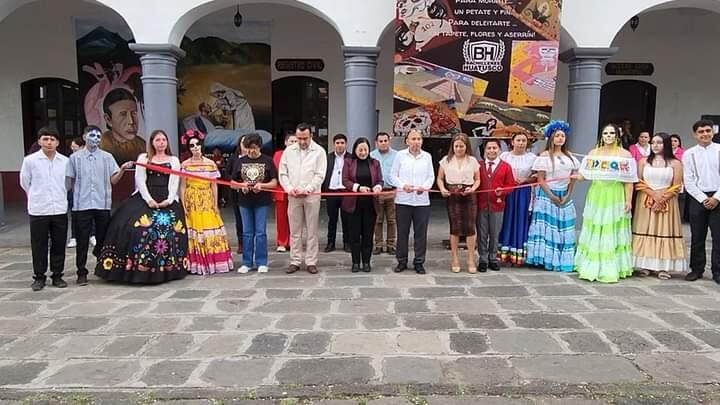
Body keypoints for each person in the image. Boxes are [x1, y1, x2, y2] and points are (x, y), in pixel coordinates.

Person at [95, 129, 188, 284]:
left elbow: (174, 183)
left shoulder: (173, 160)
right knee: (133, 228)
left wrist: (169, 200)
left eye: (163, 140)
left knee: (171, 229)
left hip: (166, 199)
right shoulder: (144, 158)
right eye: (157, 140)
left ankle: (167, 269)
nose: (161, 143)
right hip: (146, 197)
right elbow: (140, 181)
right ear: (151, 142)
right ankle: (133, 268)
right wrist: (149, 200)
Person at [66, 126, 132, 285]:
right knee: (82, 239)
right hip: (82, 205)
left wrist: (122, 169)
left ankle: (103, 266)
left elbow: (114, 179)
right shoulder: (75, 158)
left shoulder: (107, 157)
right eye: (91, 135)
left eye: (98, 136)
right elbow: (69, 181)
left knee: (103, 237)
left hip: (102, 204)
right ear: (84, 136)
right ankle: (81, 272)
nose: (95, 138)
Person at [574, 123, 638, 283]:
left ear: (617, 135)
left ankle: (611, 267)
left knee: (611, 226)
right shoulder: (593, 153)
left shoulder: (625, 155)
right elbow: (584, 175)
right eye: (605, 133)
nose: (608, 136)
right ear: (601, 136)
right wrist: (575, 176)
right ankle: (590, 265)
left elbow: (629, 181)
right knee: (595, 226)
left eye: (611, 133)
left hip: (615, 193)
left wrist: (628, 200)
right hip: (597, 193)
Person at [526, 121, 580, 272]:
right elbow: (540, 179)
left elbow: (573, 177)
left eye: (562, 136)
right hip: (547, 194)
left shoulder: (569, 157)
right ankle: (546, 258)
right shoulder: (544, 156)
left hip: (564, 194)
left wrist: (568, 194)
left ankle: (562, 258)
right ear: (551, 138)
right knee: (549, 227)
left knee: (563, 226)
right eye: (557, 136)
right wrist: (550, 196)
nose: (560, 139)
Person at [20, 127, 70, 291]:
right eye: (45, 139)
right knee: (39, 244)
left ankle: (57, 275)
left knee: (59, 243)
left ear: (57, 142)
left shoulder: (65, 161)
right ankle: (39, 276)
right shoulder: (30, 161)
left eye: (52, 139)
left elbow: (68, 184)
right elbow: (24, 182)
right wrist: (36, 195)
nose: (49, 142)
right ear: (39, 141)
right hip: (39, 209)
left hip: (59, 208)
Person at [632, 132, 686, 280]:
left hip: (667, 201)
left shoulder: (675, 163)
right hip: (646, 200)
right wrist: (652, 194)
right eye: (653, 142)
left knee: (663, 230)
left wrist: (661, 199)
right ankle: (645, 265)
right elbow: (638, 181)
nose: (655, 145)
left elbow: (676, 185)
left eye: (659, 142)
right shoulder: (643, 161)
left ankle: (663, 266)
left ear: (666, 144)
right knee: (646, 228)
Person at [180, 130, 234, 275]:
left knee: (212, 227)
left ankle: (215, 261)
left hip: (207, 198)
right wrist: (184, 204)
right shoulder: (185, 165)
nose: (195, 147)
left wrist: (215, 204)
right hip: (192, 199)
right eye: (192, 145)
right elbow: (183, 185)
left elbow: (214, 185)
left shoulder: (210, 164)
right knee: (195, 230)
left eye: (197, 144)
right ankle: (197, 262)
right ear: (188, 148)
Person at [278, 123, 327, 274]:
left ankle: (311, 261)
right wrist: (289, 188)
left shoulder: (319, 151)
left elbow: (320, 174)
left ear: (310, 136)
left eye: (305, 138)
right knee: (295, 230)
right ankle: (295, 260)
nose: (302, 142)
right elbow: (282, 172)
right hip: (293, 195)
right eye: (299, 138)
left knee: (312, 230)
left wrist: (308, 189)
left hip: (311, 195)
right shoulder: (289, 151)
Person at [229, 133, 278, 274]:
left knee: (261, 232)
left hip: (262, 201)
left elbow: (274, 182)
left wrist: (262, 186)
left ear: (260, 147)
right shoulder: (240, 161)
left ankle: (262, 261)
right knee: (247, 232)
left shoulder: (268, 161)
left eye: (254, 148)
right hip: (244, 201)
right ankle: (247, 262)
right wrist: (241, 185)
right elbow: (232, 183)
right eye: (248, 148)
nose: (251, 151)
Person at [390, 129, 435, 274]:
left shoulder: (427, 156)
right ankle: (402, 261)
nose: (416, 142)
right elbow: (393, 175)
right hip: (403, 200)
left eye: (419, 139)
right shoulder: (400, 155)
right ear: (407, 141)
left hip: (421, 201)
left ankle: (419, 261)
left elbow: (431, 177)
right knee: (402, 232)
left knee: (420, 233)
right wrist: (403, 186)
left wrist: (425, 187)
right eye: (413, 139)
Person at [682, 119, 720, 284]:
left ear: (713, 132)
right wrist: (704, 198)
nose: (705, 134)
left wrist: (716, 198)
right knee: (697, 236)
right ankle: (696, 269)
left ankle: (717, 271)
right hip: (698, 197)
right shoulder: (689, 154)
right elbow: (688, 180)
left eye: (707, 131)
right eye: (701, 132)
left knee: (718, 236)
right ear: (695, 134)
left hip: (718, 197)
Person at [436, 134, 480, 273]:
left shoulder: (472, 160)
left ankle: (471, 259)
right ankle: (454, 258)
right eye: (456, 146)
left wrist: (472, 188)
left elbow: (477, 179)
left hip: (469, 195)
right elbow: (440, 178)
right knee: (455, 228)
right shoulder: (446, 160)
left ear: (466, 146)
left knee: (470, 228)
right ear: (452, 147)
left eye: (461, 146)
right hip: (453, 194)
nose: (459, 149)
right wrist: (442, 189)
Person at [341, 137, 384, 272]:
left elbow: (380, 180)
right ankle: (355, 262)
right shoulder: (348, 162)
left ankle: (366, 262)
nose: (363, 152)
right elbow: (345, 180)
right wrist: (358, 187)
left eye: (365, 149)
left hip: (370, 205)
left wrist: (378, 187)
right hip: (354, 205)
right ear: (355, 150)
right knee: (354, 235)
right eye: (360, 150)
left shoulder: (375, 163)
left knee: (367, 235)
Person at [476, 139, 516, 272]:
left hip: (498, 206)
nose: (491, 151)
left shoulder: (506, 166)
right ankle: (482, 259)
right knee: (482, 234)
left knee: (494, 233)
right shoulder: (478, 165)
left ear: (499, 150)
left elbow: (511, 185)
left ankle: (493, 258)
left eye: (494, 148)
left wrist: (503, 191)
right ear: (485, 150)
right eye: (489, 148)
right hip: (481, 206)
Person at [498, 133, 537, 266]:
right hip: (508, 191)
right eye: (518, 140)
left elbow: (537, 176)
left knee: (521, 219)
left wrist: (526, 179)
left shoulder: (532, 158)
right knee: (507, 219)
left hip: (524, 192)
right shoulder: (504, 156)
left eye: (524, 140)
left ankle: (519, 254)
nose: (521, 143)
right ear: (512, 142)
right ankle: (503, 252)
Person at [99, 87, 146, 165]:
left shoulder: (142, 145)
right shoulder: (100, 146)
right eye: (123, 114)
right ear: (108, 119)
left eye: (134, 113)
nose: (131, 121)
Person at [370, 132, 398, 255]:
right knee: (378, 220)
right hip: (377, 192)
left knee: (392, 220)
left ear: (389, 141)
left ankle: (391, 244)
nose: (383, 143)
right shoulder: (371, 156)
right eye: (380, 141)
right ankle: (378, 244)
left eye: (385, 140)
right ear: (376, 142)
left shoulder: (397, 155)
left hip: (392, 191)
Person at [322, 133, 350, 252]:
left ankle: (347, 243)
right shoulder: (327, 158)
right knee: (332, 219)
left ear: (346, 144)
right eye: (337, 143)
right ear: (334, 144)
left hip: (346, 192)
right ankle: (330, 243)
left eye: (342, 143)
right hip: (331, 192)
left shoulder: (351, 157)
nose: (340, 145)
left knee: (346, 219)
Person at [273, 131, 297, 252]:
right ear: (285, 142)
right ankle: (282, 242)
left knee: (295, 218)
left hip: (296, 190)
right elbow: (276, 172)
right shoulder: (278, 154)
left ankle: (293, 242)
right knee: (281, 218)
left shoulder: (300, 155)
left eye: (295, 141)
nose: (293, 143)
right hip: (281, 190)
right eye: (291, 141)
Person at [225, 137, 245, 253]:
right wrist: (234, 182)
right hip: (237, 193)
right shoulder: (233, 159)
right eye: (243, 142)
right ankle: (241, 243)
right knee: (239, 218)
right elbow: (227, 174)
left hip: (253, 194)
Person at [66, 137, 85, 249]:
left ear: (82, 147)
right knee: (74, 215)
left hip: (87, 192)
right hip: (73, 191)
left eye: (75, 148)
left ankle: (92, 235)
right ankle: (74, 237)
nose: (73, 150)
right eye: (72, 148)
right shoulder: (70, 160)